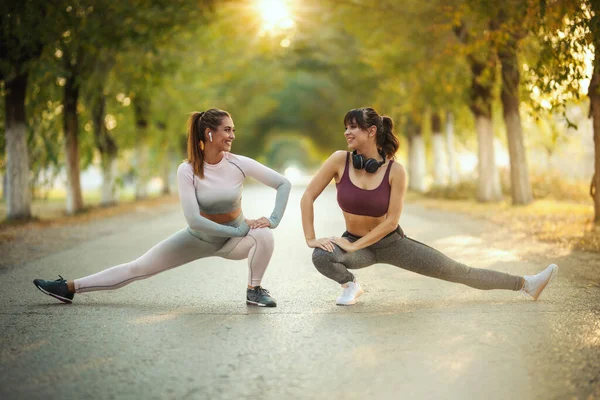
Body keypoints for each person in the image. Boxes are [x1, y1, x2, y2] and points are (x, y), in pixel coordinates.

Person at [33, 108, 291, 307]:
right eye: (227, 130)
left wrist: (273, 219)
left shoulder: (239, 163)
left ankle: (254, 290)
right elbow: (194, 221)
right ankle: (68, 288)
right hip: (199, 238)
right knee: (137, 269)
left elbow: (283, 183)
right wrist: (238, 231)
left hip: (232, 243)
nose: (232, 136)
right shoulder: (187, 170)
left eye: (233, 130)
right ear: (209, 133)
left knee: (264, 234)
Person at [300, 107, 557, 306]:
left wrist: (353, 245)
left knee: (459, 271)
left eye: (353, 127)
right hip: (356, 245)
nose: (347, 132)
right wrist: (311, 239)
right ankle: (350, 285)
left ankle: (526, 284)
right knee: (322, 256)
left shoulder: (395, 171)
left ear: (371, 131)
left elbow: (390, 222)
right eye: (346, 127)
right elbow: (307, 197)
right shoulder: (339, 160)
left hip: (391, 243)